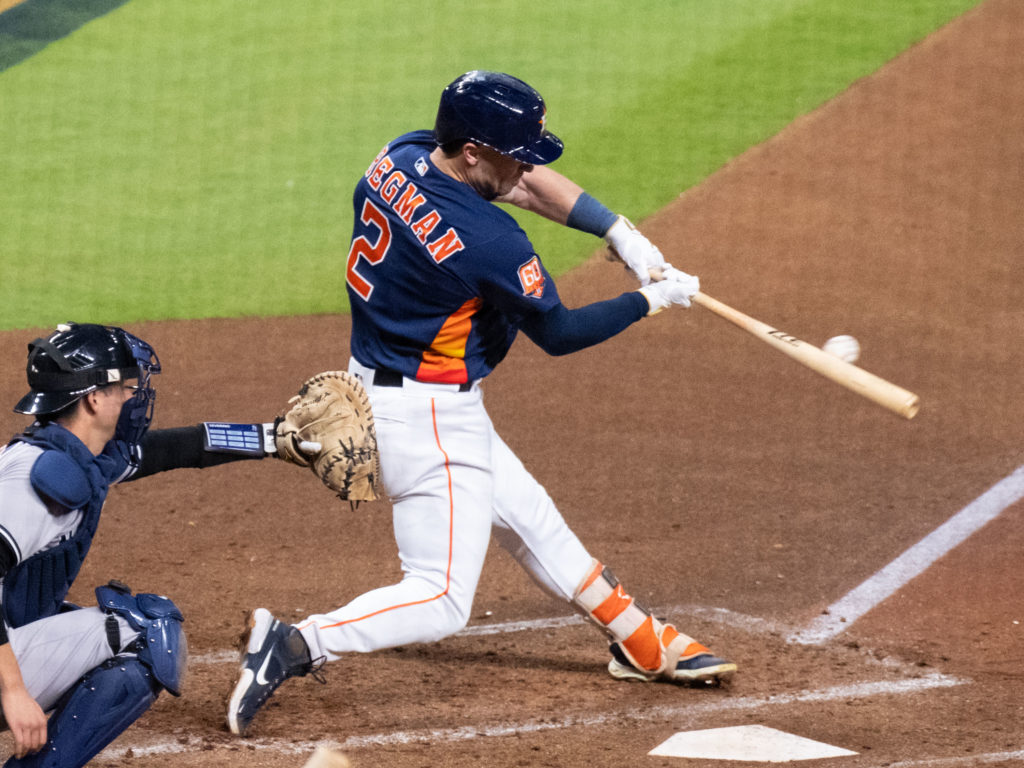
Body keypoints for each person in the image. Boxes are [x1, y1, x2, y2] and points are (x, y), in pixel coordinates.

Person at [227, 70, 736, 737]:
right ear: (472, 150)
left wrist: (619, 233)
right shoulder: (491, 243)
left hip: (379, 387)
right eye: (514, 148)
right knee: (441, 598)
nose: (527, 162)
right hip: (428, 421)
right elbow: (558, 333)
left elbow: (522, 183)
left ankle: (636, 639)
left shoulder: (401, 156)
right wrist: (650, 299)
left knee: (528, 516)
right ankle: (297, 643)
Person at [0, 322, 300, 767]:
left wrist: (270, 439)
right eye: (123, 386)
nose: (132, 397)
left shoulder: (71, 455)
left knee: (69, 620)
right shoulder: (43, 479)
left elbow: (178, 448)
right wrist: (16, 692)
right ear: (93, 398)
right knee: (144, 632)